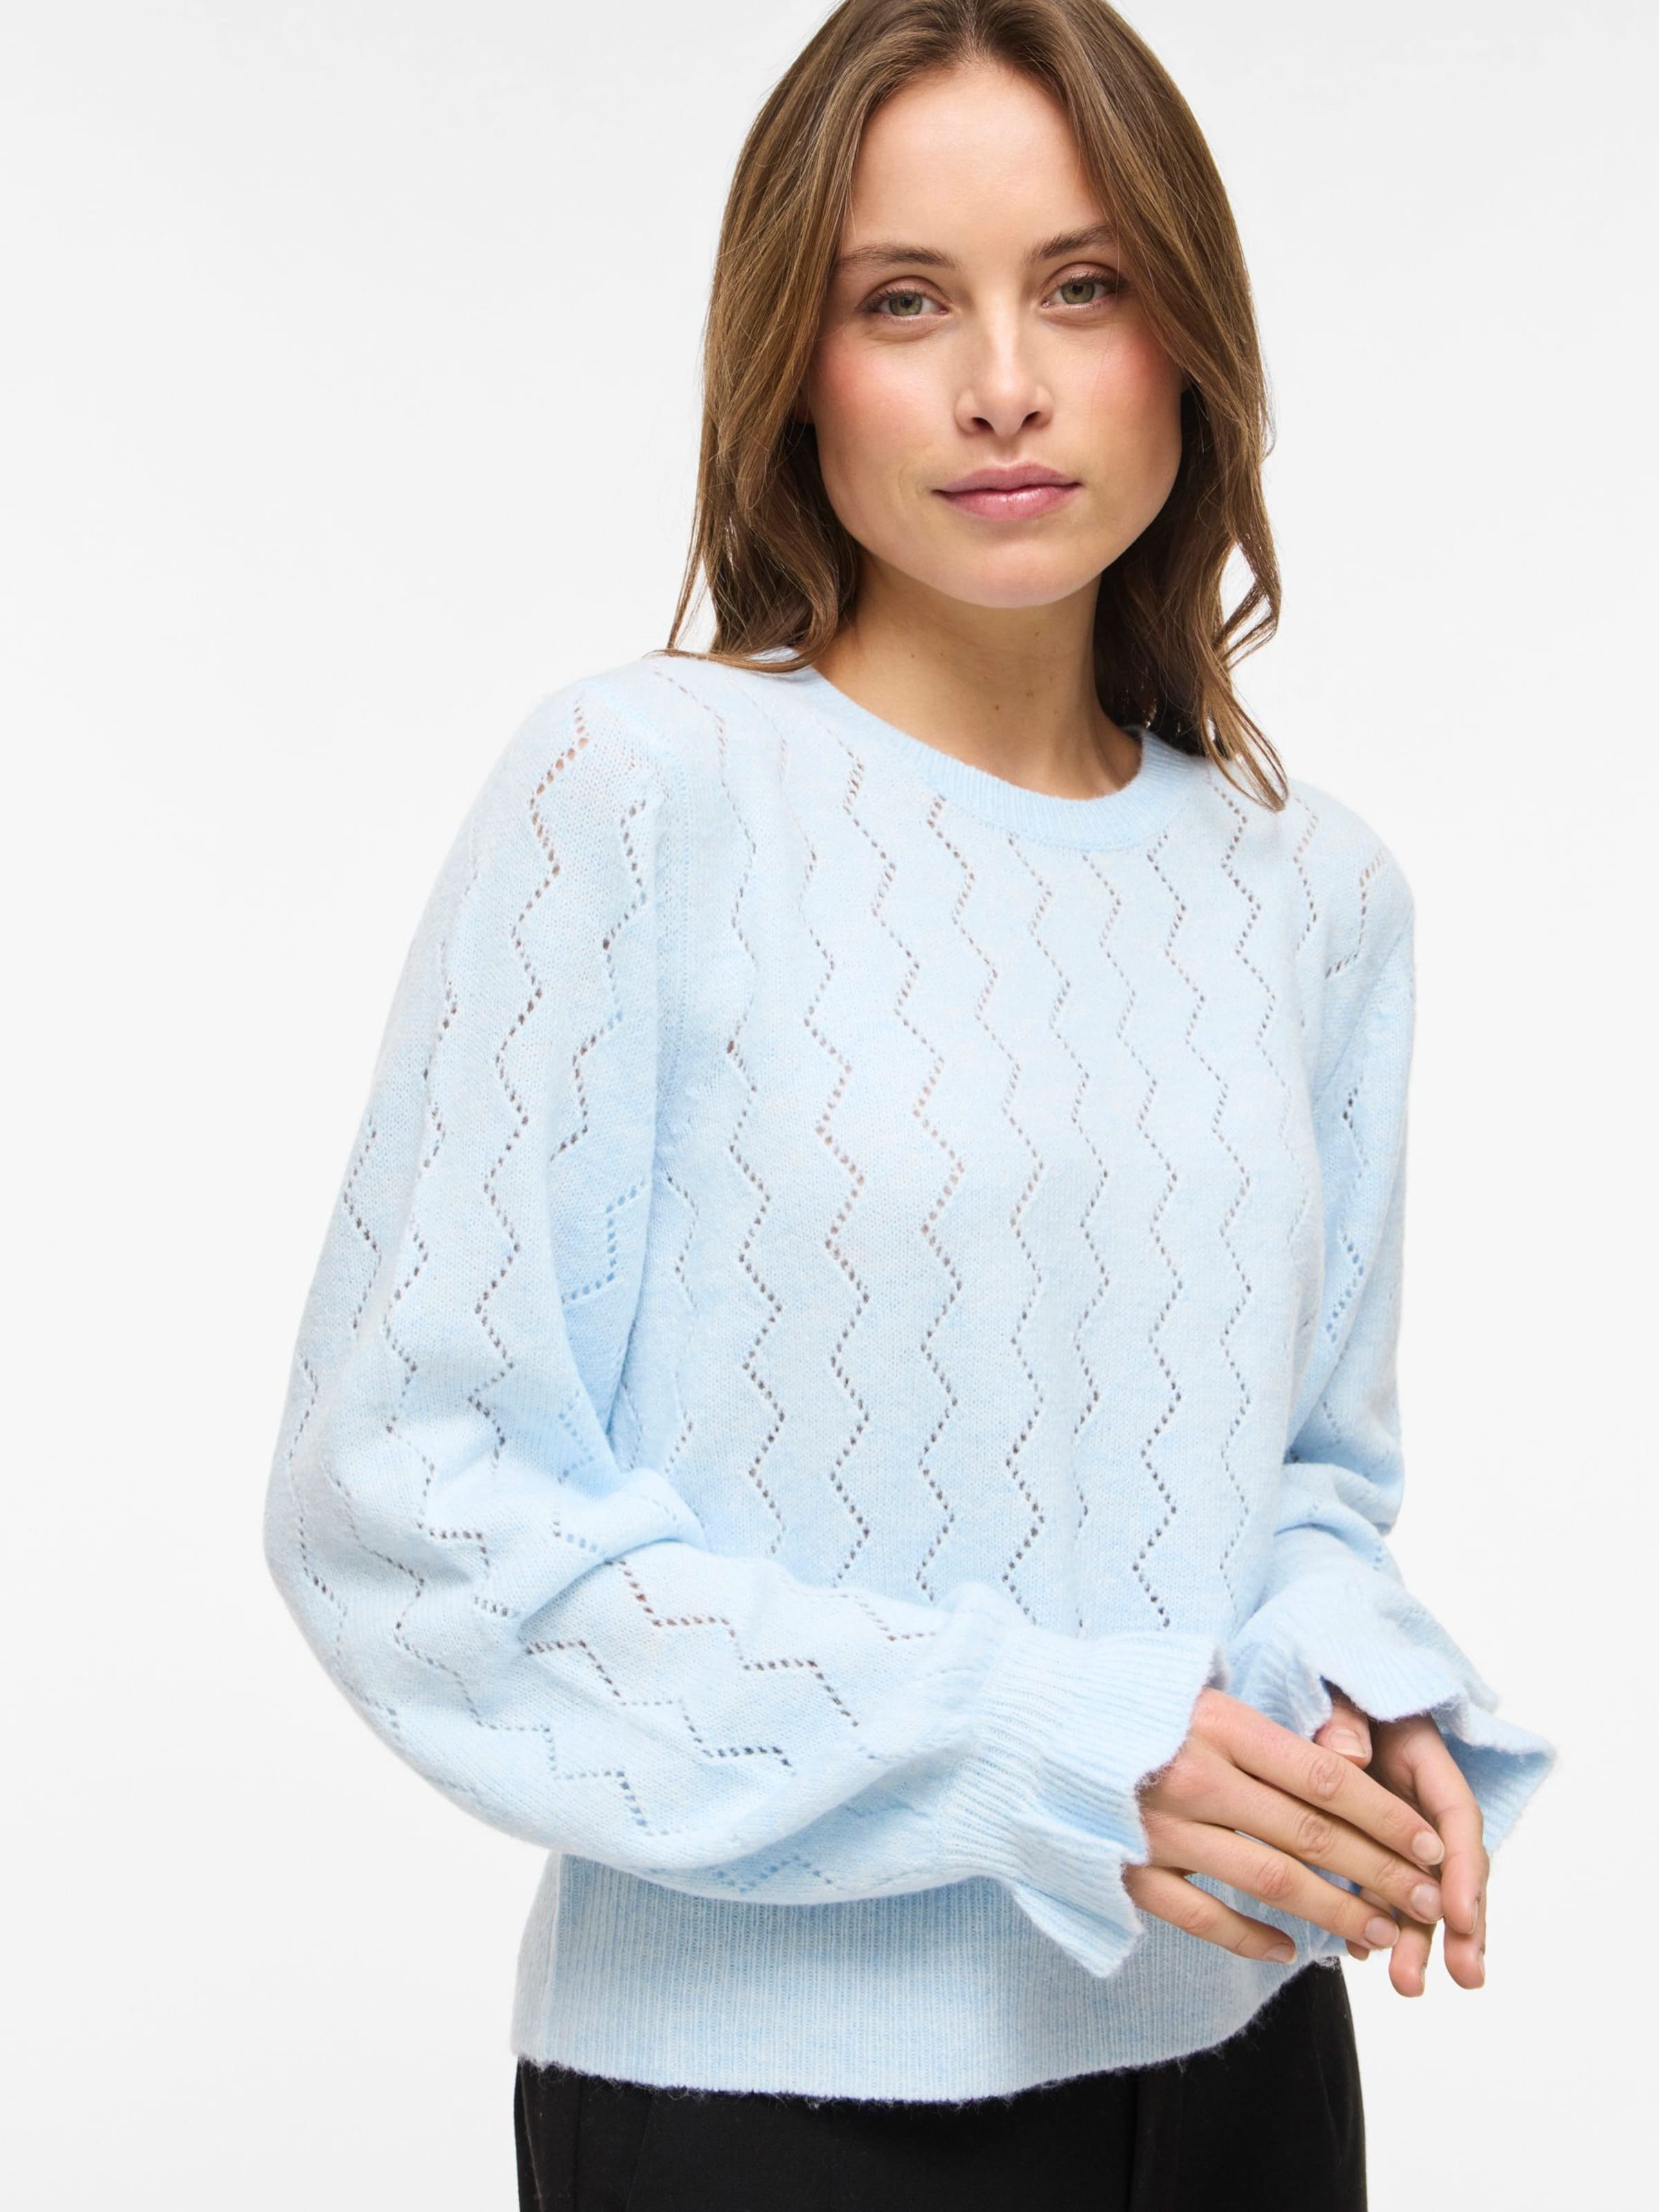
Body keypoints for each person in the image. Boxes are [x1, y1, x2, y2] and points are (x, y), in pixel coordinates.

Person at [261, 3, 1556, 2204]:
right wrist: (1046, 1747)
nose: (1004, 384)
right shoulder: (638, 793)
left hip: (1247, 2058)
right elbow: (404, 1507)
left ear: (1188, 339)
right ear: (795, 363)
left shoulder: (1314, 893)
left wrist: (1347, 1691)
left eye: (1084, 285)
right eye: (904, 302)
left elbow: (1304, 1484)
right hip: (763, 2110)